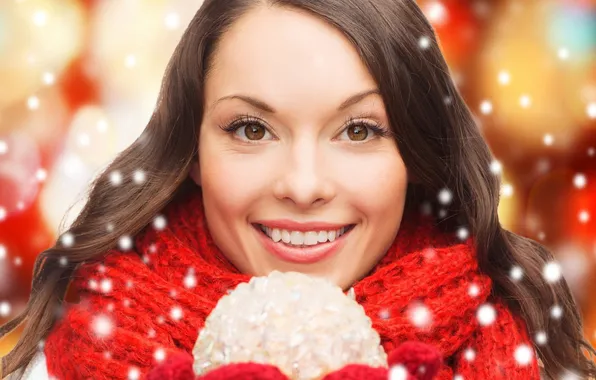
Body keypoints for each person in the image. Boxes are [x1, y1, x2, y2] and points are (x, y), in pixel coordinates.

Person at [1, 0, 595, 379]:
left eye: (359, 130)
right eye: (252, 129)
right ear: (194, 152)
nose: (304, 185)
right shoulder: (54, 365)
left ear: (415, 153)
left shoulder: (533, 361)